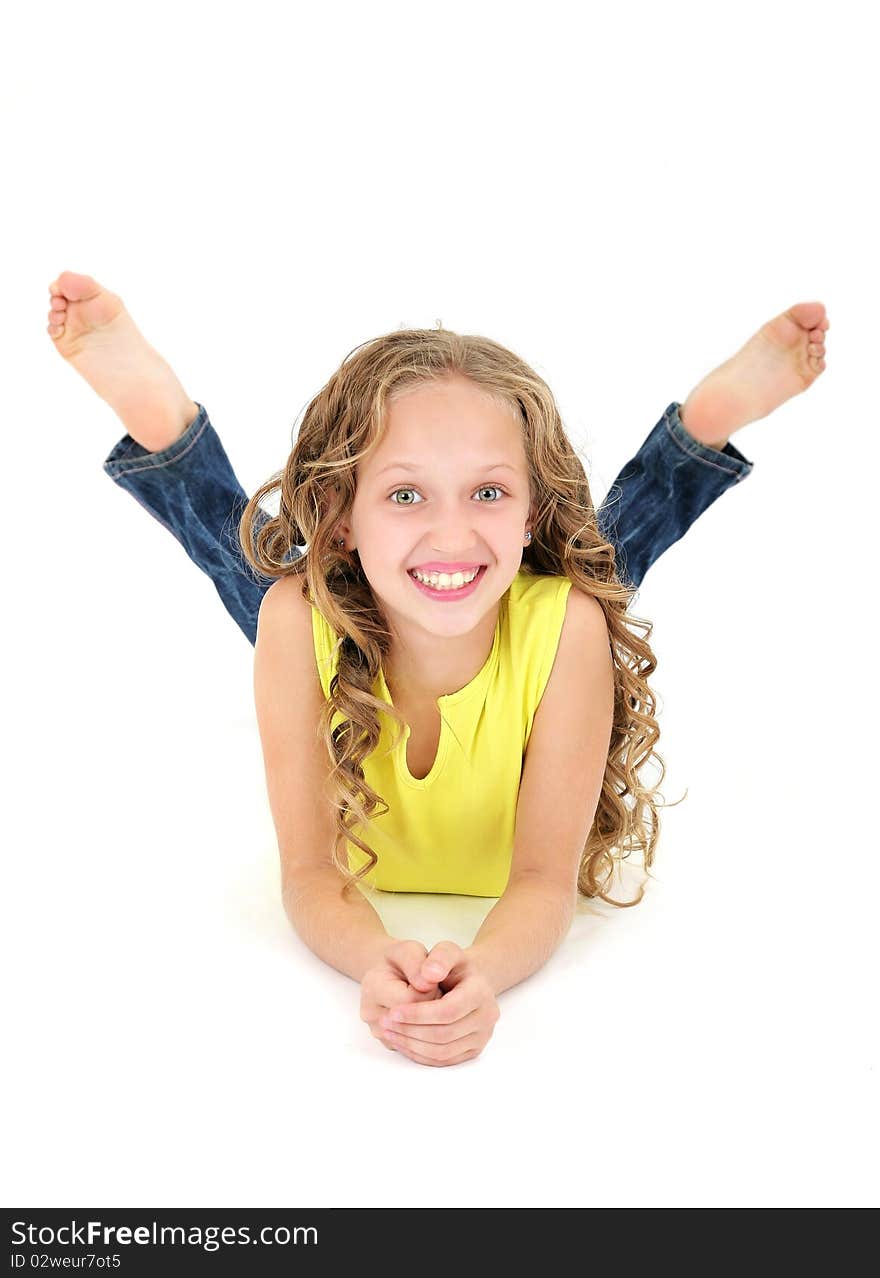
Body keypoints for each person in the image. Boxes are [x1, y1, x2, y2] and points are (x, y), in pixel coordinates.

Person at [46, 273, 829, 1068]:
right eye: (406, 493)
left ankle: (702, 430)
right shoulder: (301, 618)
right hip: (346, 605)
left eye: (488, 490)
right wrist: (370, 961)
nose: (451, 533)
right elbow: (310, 874)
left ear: (529, 513)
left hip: (525, 606)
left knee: (594, 570)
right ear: (343, 517)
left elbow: (544, 880)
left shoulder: (566, 628)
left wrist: (481, 972)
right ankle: (163, 426)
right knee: (275, 581)